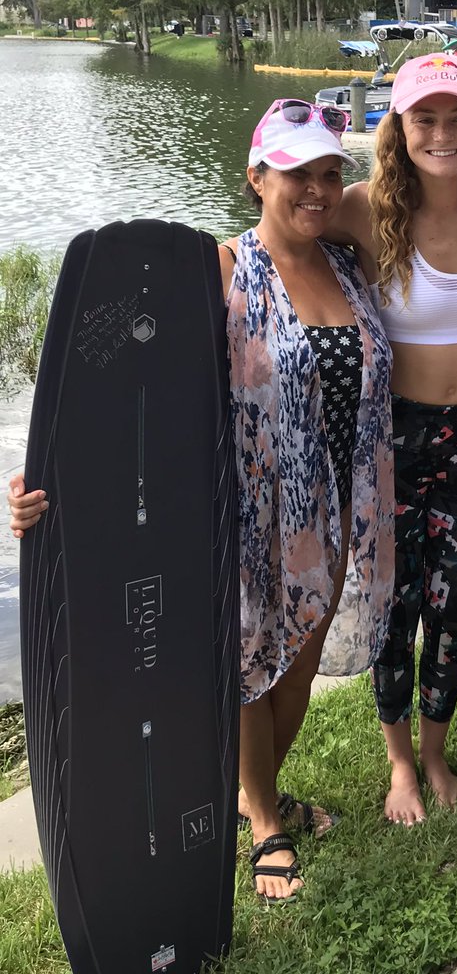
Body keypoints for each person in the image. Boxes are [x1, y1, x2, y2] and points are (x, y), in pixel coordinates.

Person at [9, 99, 396, 903]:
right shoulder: (219, 270)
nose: (317, 189)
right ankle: (263, 823)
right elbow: (126, 393)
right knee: (254, 671)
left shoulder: (349, 265)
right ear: (256, 177)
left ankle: (257, 793)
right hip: (250, 515)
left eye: (330, 173)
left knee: (299, 666)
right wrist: (47, 477)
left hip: (334, 510)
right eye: (296, 173)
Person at [327, 53, 457, 826]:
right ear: (398, 129)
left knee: (453, 606)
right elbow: (263, 239)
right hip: (393, 442)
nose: (442, 133)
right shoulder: (359, 209)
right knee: (394, 608)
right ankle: (400, 763)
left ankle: (437, 754)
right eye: (424, 118)